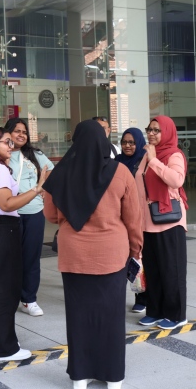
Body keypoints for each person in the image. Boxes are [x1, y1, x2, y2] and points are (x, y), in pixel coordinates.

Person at [43, 120, 143, 389]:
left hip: (73, 255)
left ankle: (80, 376)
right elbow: (133, 220)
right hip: (111, 255)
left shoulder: (60, 172)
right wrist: (136, 251)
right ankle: (113, 377)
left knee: (78, 316)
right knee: (111, 317)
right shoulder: (121, 172)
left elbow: (52, 215)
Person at [0, 126, 47, 361]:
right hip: (2, 230)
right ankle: (5, 349)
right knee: (5, 291)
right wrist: (37, 188)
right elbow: (7, 204)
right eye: (6, 142)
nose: (11, 146)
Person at [135, 116, 188, 330]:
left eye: (156, 130)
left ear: (166, 131)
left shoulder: (173, 154)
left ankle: (177, 315)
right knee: (154, 270)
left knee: (171, 270)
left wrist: (155, 160)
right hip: (148, 220)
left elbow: (176, 180)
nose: (151, 133)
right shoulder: (146, 154)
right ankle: (155, 311)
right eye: (149, 129)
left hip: (169, 221)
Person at [4, 118, 54, 316]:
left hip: (33, 212)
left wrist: (43, 188)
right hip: (9, 213)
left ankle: (28, 299)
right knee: (9, 258)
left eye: (24, 132)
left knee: (31, 257)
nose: (21, 135)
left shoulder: (35, 155)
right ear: (8, 133)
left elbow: (51, 170)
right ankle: (9, 297)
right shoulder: (2, 154)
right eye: (17, 131)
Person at [115, 127, 147, 313]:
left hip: (137, 214)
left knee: (138, 257)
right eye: (124, 142)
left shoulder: (143, 161)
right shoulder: (117, 161)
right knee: (122, 257)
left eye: (131, 142)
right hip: (118, 215)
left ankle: (141, 297)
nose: (127, 145)